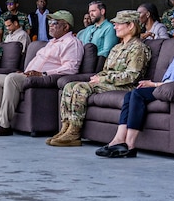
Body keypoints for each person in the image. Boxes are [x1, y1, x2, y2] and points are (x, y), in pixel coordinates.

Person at [96, 11, 174, 158]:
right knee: (130, 95)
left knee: (138, 94)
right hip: (167, 88)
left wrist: (155, 84)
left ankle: (130, 144)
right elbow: (169, 78)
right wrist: (156, 84)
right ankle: (118, 140)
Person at [49, 10, 151, 147]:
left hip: (125, 86)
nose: (115, 27)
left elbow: (132, 76)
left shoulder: (138, 47)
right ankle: (66, 128)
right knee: (69, 86)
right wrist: (98, 77)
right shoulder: (117, 47)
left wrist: (102, 80)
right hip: (110, 83)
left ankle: (74, 132)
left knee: (80, 88)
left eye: (118, 24)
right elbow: (106, 70)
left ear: (131, 25)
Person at [0, 11, 84, 136]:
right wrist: (25, 72)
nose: (50, 25)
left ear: (66, 27)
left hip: (42, 79)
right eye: (49, 22)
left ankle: (3, 125)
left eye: (54, 23)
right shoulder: (51, 42)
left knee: (11, 78)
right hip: (29, 76)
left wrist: (43, 74)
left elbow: (71, 68)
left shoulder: (72, 43)